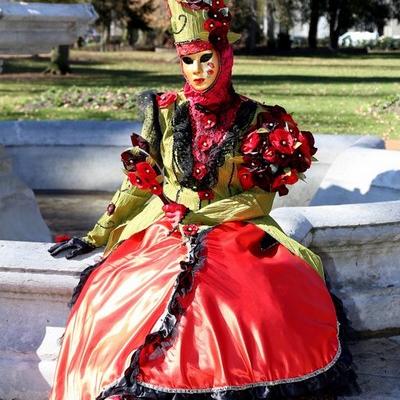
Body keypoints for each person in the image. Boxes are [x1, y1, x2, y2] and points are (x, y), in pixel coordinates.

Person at [48, 1, 359, 399]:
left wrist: (203, 216)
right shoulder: (165, 113)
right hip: (165, 228)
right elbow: (141, 182)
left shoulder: (260, 120)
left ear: (225, 55)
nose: (198, 71)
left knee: (249, 301)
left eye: (206, 58)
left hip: (234, 228)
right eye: (188, 61)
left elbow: (259, 199)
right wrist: (97, 233)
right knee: (117, 295)